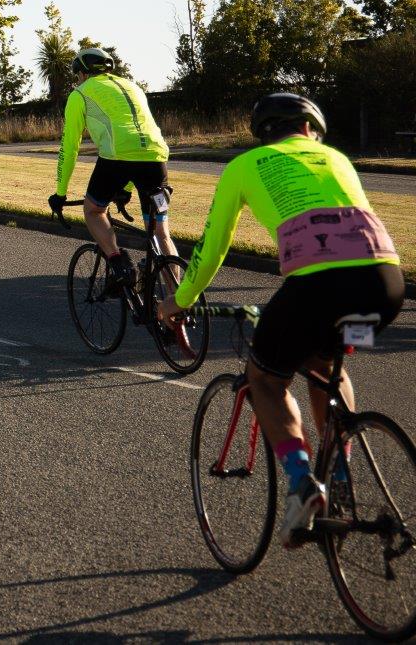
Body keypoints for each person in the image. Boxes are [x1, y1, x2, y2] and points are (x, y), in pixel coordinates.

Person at [159, 93, 402, 548]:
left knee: (266, 380)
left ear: (263, 134)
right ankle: (341, 472)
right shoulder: (337, 159)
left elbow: (212, 249)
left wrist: (179, 300)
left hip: (316, 290)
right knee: (326, 362)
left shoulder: (244, 166)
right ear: (310, 129)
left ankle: (302, 482)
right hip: (385, 289)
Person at [48, 48, 175, 290]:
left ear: (82, 73)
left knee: (94, 211)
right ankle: (177, 301)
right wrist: (126, 189)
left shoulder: (80, 93)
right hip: (156, 157)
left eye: (77, 75)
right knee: (161, 233)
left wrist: (60, 193)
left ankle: (119, 265)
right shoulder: (133, 87)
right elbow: (136, 136)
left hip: (116, 159)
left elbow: (69, 147)